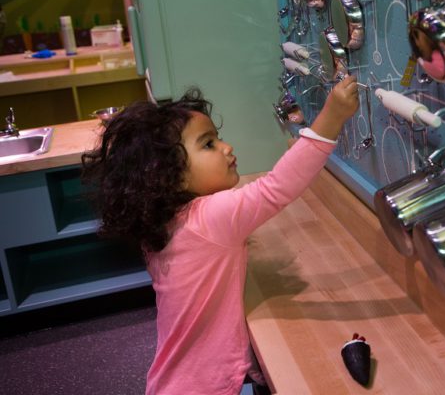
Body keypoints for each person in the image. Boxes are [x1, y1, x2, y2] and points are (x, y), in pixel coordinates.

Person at [81, 76, 360, 394]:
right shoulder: (209, 219)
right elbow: (277, 187)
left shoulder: (164, 222)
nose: (227, 147)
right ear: (167, 174)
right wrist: (333, 115)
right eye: (208, 144)